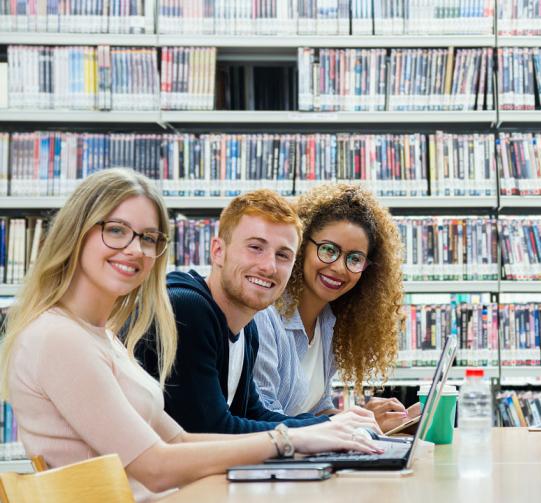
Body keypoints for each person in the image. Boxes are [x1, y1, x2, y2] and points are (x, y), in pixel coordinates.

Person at [0, 169, 381, 502]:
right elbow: (156, 467)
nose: (135, 249)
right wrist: (292, 440)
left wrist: (316, 434)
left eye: (149, 238)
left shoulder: (102, 338)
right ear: (77, 233)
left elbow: (179, 440)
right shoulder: (58, 337)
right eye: (116, 230)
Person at [135, 188, 381, 434]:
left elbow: (254, 414)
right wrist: (326, 428)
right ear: (218, 251)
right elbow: (212, 430)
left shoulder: (245, 328)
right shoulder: (187, 309)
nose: (269, 266)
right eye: (255, 247)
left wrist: (337, 425)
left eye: (283, 255)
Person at [253, 184, 416, 432]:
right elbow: (263, 420)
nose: (340, 268)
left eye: (354, 259)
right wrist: (356, 425)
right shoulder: (265, 315)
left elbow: (315, 409)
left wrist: (372, 418)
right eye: (328, 250)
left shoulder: (328, 322)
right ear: (301, 246)